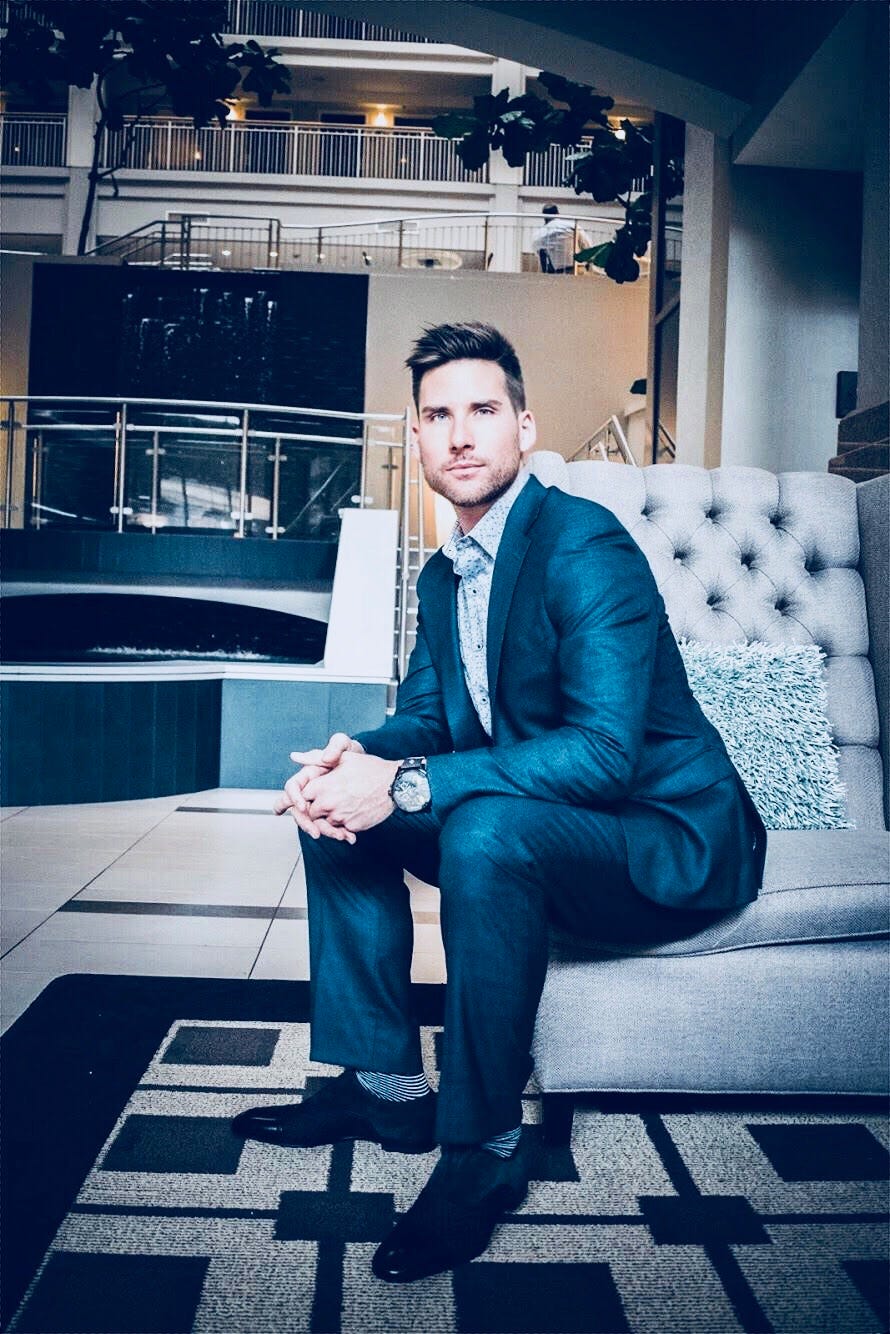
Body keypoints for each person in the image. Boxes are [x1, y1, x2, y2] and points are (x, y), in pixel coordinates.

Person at [232, 322, 767, 1284]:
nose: (461, 434)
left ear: (525, 427)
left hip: (662, 841)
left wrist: (410, 781)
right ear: (417, 437)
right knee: (340, 811)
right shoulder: (446, 574)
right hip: (543, 825)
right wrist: (357, 759)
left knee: (480, 828)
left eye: (483, 410)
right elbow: (429, 717)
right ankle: (386, 1087)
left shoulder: (582, 545)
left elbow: (604, 756)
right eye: (438, 415)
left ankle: (481, 1150)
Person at [533, 203, 592, 273]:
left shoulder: (539, 234)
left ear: (544, 217)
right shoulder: (572, 225)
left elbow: (539, 253)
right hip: (577, 268)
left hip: (556, 272)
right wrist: (588, 262)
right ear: (558, 213)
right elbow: (587, 245)